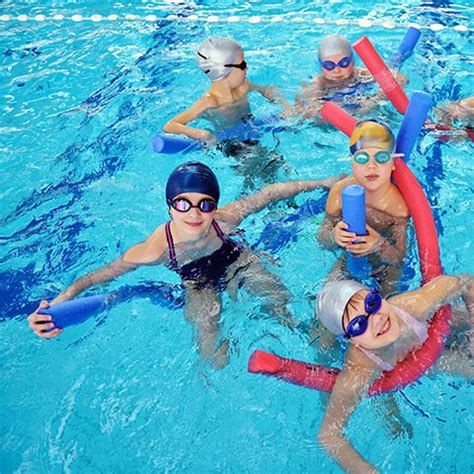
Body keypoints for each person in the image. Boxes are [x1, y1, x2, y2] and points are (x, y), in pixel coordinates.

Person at [28, 161, 340, 369]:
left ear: (214, 206)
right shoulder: (156, 249)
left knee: (280, 299)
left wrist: (323, 182)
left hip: (236, 260)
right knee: (211, 352)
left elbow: (270, 193)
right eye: (183, 203)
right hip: (196, 281)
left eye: (205, 204)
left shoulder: (225, 220)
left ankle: (303, 339)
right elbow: (105, 273)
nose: (194, 213)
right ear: (169, 207)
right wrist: (66, 297)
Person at [315, 275, 474, 473]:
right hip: (426, 361)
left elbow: (466, 282)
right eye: (359, 324)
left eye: (372, 303)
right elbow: (329, 435)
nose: (377, 319)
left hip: (431, 328)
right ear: (352, 341)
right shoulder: (361, 370)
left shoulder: (413, 306)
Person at [163, 36, 291, 190]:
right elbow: (170, 125)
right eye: (243, 64)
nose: (247, 68)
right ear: (225, 70)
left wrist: (282, 104)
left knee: (278, 164)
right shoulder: (210, 102)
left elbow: (266, 90)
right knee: (253, 172)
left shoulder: (244, 87)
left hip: (252, 133)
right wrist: (199, 133)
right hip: (230, 144)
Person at [317, 119, 409, 297]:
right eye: (362, 158)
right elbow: (322, 239)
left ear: (393, 164)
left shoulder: (398, 208)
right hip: (349, 258)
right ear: (352, 163)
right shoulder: (338, 193)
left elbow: (399, 259)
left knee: (386, 306)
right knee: (328, 297)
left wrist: (379, 245)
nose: (371, 166)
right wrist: (333, 235)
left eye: (381, 157)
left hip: (385, 267)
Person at [295, 35, 407, 120]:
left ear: (352, 61)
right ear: (321, 65)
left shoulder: (360, 74)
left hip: (366, 113)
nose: (337, 70)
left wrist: (378, 97)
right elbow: (312, 114)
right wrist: (359, 110)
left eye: (343, 63)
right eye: (329, 65)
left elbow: (401, 78)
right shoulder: (318, 85)